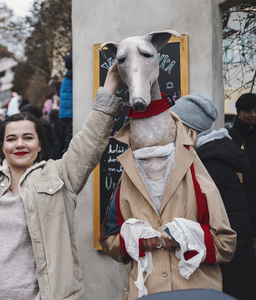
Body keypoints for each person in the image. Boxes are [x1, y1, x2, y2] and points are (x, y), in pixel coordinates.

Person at [0, 39, 122, 300]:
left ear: (40, 144)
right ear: (1, 146)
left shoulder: (60, 175)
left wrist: (111, 84)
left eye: (28, 138)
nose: (19, 144)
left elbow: (91, 140)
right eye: (11, 139)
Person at [99, 92, 236, 299]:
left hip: (196, 292)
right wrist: (133, 240)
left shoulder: (198, 180)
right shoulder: (124, 186)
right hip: (147, 292)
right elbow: (109, 241)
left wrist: (188, 237)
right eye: (145, 160)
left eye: (161, 158)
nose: (153, 166)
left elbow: (226, 245)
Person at [171, 93, 256, 300]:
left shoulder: (208, 163)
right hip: (234, 258)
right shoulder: (214, 154)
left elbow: (197, 216)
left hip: (226, 264)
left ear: (189, 129)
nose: (171, 131)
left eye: (175, 125)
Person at [228, 93, 256, 257]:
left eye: (255, 110)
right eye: (248, 111)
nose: (253, 115)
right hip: (242, 205)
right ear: (238, 112)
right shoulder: (230, 138)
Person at [59, 53, 73, 152]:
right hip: (69, 111)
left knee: (68, 134)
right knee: (70, 134)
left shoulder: (68, 74)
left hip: (65, 111)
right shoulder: (72, 74)